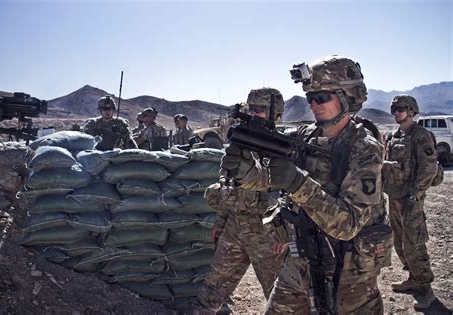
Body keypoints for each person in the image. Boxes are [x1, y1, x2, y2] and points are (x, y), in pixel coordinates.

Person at [221, 56, 391, 314]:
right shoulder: (304, 135)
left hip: (348, 269)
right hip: (301, 257)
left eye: (322, 97)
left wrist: (297, 182)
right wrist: (246, 172)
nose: (314, 104)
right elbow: (271, 177)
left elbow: (348, 225)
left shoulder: (364, 148)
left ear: (347, 97)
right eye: (310, 98)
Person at [187, 88, 286, 314]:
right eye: (251, 109)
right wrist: (222, 220)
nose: (253, 114)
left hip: (267, 233)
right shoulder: (240, 143)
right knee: (212, 289)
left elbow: (293, 193)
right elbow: (228, 185)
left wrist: (285, 230)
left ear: (275, 114)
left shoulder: (286, 149)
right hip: (235, 225)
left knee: (279, 298)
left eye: (260, 110)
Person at [383, 95, 438, 309]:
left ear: (412, 111)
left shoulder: (421, 135)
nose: (397, 113)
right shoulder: (394, 135)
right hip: (395, 197)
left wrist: (415, 195)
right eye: (394, 109)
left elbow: (429, 168)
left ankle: (425, 289)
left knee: (414, 243)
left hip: (411, 199)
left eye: (401, 109)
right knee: (399, 241)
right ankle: (413, 279)